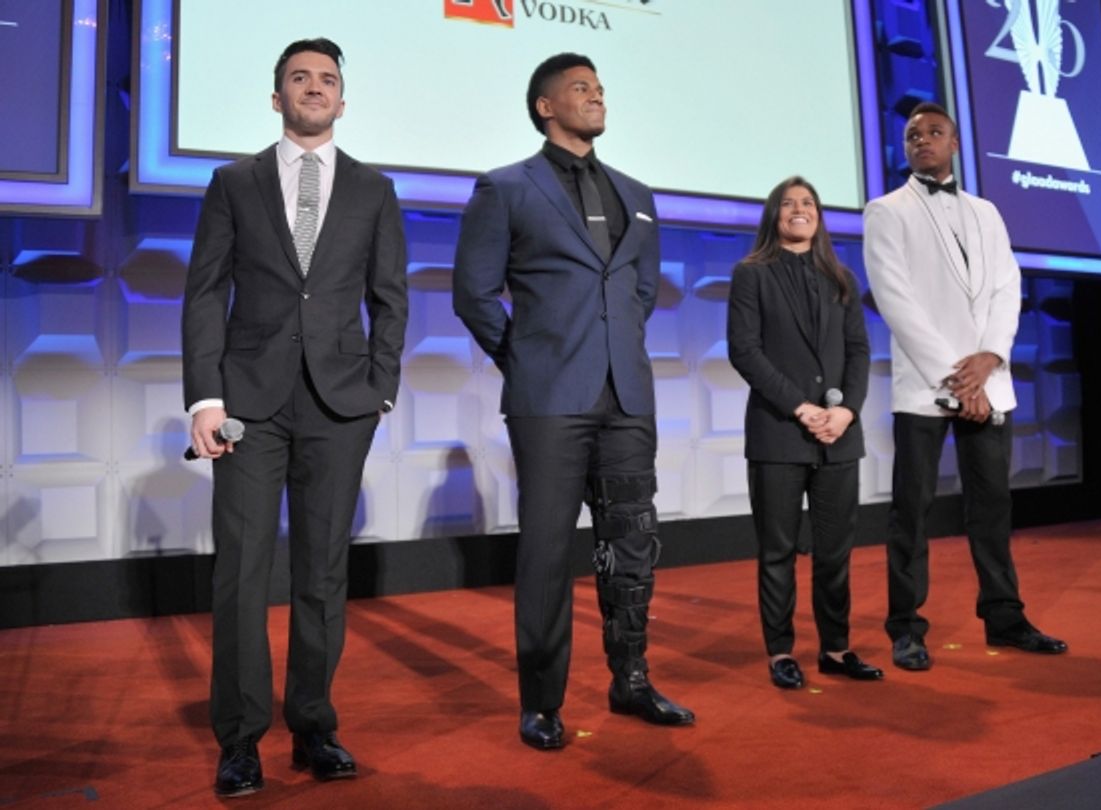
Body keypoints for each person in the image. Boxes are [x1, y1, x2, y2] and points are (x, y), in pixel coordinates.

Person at [181, 38, 408, 796]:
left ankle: (313, 725)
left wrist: (380, 389)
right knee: (241, 573)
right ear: (276, 96)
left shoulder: (374, 190)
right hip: (246, 404)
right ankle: (240, 739)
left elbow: (391, 299)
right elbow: (206, 293)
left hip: (342, 405)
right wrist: (204, 398)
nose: (315, 88)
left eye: (329, 80)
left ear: (343, 101)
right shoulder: (233, 182)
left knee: (321, 573)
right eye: (300, 78)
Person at [453, 52, 694, 751]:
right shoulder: (505, 187)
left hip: (628, 394)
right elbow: (473, 292)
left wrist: (614, 347)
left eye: (600, 88)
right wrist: (523, 355)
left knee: (633, 543)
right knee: (548, 552)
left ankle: (633, 679)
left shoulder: (636, 191)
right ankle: (542, 701)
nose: (596, 97)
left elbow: (640, 290)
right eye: (580, 89)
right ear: (545, 106)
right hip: (549, 395)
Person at [863, 102, 1066, 671]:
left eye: (933, 132)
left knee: (992, 508)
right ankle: (906, 627)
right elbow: (895, 299)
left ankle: (1004, 617)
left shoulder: (987, 211)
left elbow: (1007, 287)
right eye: (911, 135)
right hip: (928, 386)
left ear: (954, 143)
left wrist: (990, 358)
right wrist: (957, 376)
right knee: (913, 509)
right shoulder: (886, 210)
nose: (921, 140)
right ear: (904, 149)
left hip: (988, 380)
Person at [727, 176, 882, 689]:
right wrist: (799, 407)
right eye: (789, 203)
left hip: (839, 436)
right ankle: (780, 653)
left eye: (808, 203)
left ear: (819, 216)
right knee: (777, 551)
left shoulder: (841, 277)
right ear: (774, 216)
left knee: (835, 552)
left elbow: (859, 351)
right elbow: (744, 350)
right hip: (779, 433)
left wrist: (848, 411)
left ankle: (835, 649)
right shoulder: (752, 275)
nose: (800, 210)